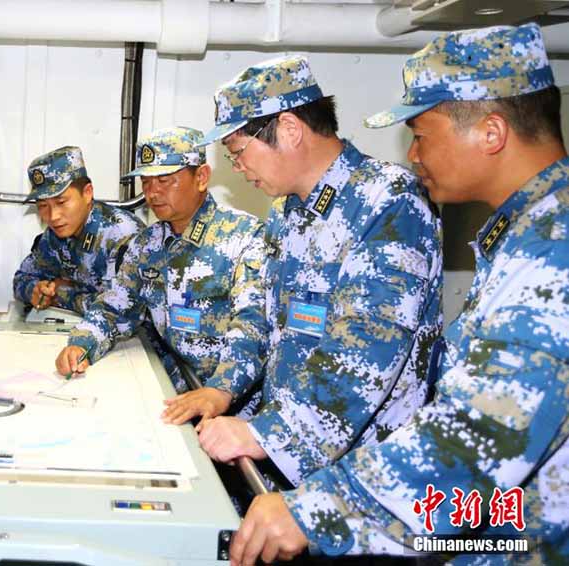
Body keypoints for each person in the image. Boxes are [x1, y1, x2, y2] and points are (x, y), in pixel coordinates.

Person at [229, 23, 569, 565]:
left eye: (422, 134)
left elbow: (485, 430)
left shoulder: (554, 247)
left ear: (491, 133)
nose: (412, 154)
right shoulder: (526, 234)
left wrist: (320, 509)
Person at [173, 55, 443, 491]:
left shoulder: (388, 202)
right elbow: (261, 316)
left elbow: (365, 351)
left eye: (238, 153)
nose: (238, 168)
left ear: (289, 129)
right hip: (293, 463)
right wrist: (224, 387)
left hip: (365, 477)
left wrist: (268, 434)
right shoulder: (287, 211)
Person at [55, 127, 267, 399]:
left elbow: (253, 326)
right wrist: (82, 343)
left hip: (236, 402)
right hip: (176, 387)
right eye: (145, 182)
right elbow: (115, 308)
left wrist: (220, 391)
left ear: (201, 177)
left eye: (164, 180)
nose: (152, 193)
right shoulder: (147, 245)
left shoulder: (245, 236)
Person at [13, 146, 143, 314]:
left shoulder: (122, 234)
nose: (53, 216)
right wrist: (35, 290)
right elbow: (21, 278)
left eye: (61, 202)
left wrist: (61, 294)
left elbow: (122, 309)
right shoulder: (55, 235)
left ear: (87, 193)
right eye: (43, 205)